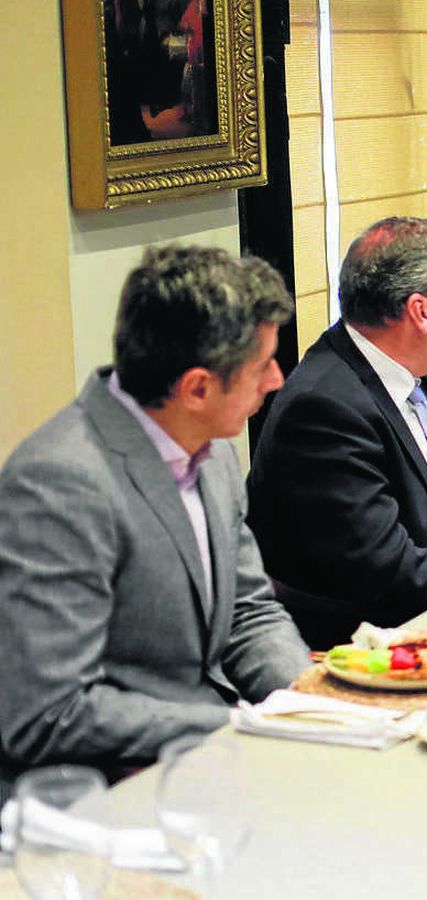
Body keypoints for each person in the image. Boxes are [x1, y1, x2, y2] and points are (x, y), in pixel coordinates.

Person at [0, 246, 309, 801]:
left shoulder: (211, 448)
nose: (277, 380)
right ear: (196, 388)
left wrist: (308, 702)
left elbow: (247, 611)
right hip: (106, 787)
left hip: (216, 755)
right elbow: (48, 711)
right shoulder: (59, 483)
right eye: (262, 364)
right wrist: (238, 725)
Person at [248, 217, 427, 649]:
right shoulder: (325, 408)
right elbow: (385, 565)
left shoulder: (423, 369)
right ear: (420, 311)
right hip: (408, 640)